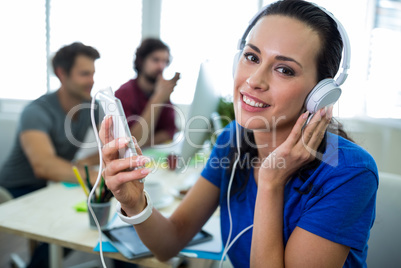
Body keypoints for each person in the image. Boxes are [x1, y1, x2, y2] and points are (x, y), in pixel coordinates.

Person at [99, 1, 378, 267]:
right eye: (252, 56)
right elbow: (169, 243)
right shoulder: (233, 139)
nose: (254, 80)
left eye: (284, 69)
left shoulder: (349, 172)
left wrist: (270, 182)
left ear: (320, 94)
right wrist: (136, 204)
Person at [0, 42, 102, 199]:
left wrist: (87, 161)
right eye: (84, 74)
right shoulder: (36, 111)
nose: (92, 81)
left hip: (53, 187)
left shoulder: (91, 106)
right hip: (16, 192)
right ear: (61, 73)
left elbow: (111, 146)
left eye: (93, 74)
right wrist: (95, 175)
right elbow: (44, 166)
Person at [115, 38, 180, 147]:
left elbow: (169, 132)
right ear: (141, 61)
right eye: (155, 60)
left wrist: (145, 143)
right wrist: (157, 99)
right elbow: (132, 141)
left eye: (165, 61)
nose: (161, 66)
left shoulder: (163, 93)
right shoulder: (124, 94)